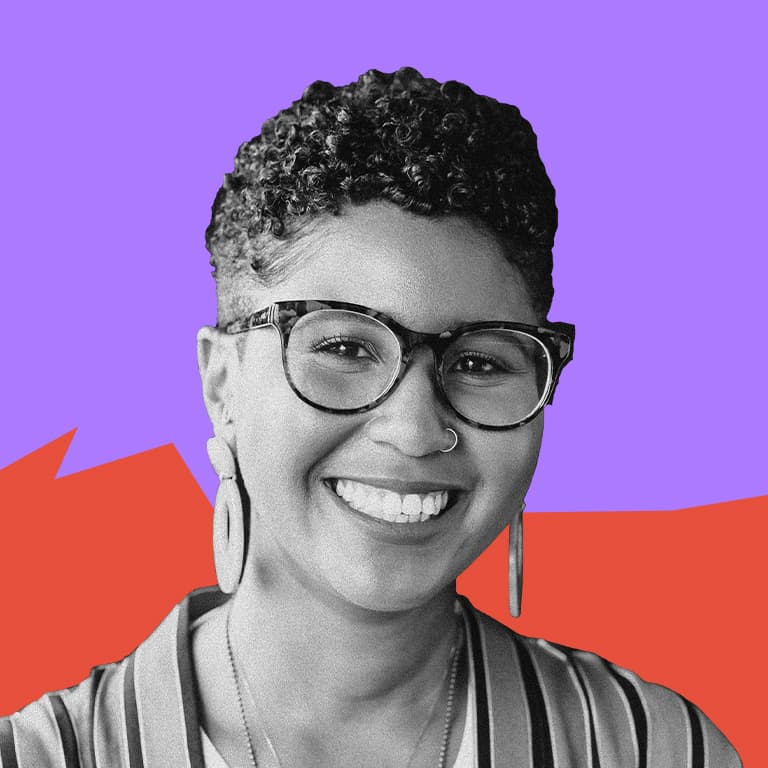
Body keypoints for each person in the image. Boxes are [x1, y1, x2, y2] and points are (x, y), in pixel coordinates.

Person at [0, 68, 741, 768]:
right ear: (222, 382)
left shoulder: (658, 749)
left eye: (481, 362)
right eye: (346, 347)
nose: (417, 430)